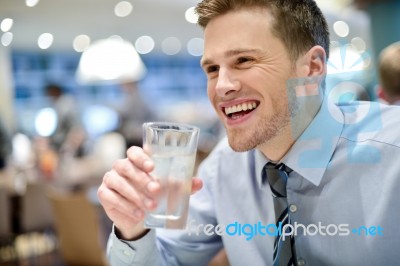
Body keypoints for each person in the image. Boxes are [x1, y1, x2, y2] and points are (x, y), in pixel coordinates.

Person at [97, 0, 400, 265]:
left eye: (244, 60)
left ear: (312, 67)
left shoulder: (392, 151)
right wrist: (134, 228)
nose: (222, 86)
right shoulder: (223, 168)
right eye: (212, 69)